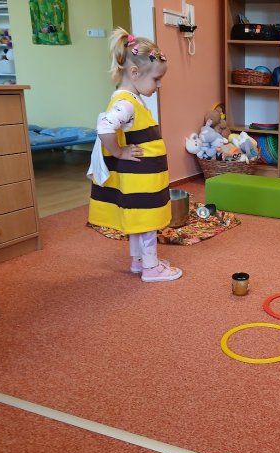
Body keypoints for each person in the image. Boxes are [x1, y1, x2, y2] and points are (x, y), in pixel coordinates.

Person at [87, 27, 182, 283]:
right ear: (134, 72)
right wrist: (118, 152)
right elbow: (104, 126)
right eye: (156, 79)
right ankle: (151, 268)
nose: (159, 85)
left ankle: (138, 261)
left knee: (139, 219)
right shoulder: (126, 102)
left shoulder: (131, 99)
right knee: (147, 219)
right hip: (139, 179)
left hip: (142, 176)